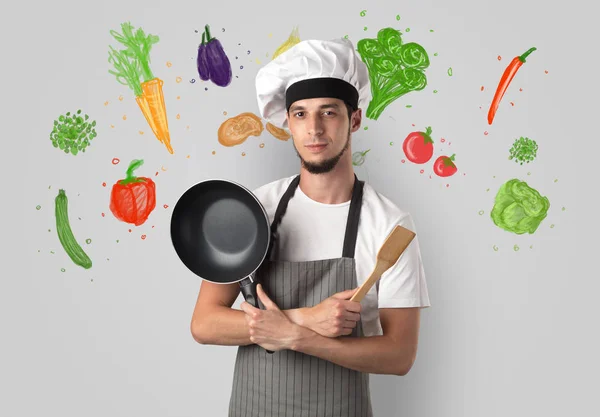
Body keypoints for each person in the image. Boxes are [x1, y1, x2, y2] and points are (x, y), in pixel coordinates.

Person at [190, 37, 431, 417]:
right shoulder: (256, 209)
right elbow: (205, 323)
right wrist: (303, 318)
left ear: (354, 119)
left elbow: (400, 354)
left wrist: (298, 338)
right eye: (300, 114)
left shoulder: (387, 224)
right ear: (288, 123)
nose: (314, 129)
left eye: (328, 112)